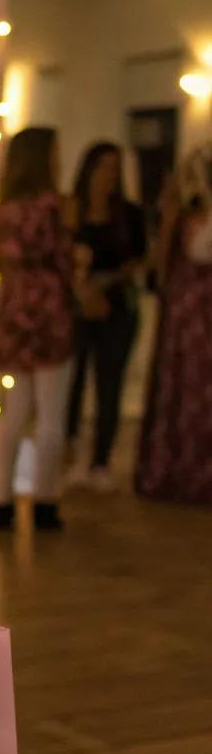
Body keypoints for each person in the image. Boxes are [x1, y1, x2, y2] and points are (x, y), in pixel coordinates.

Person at [0, 127, 75, 532]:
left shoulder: (2, 210)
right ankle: (44, 501)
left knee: (15, 411)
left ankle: (1, 501)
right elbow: (64, 259)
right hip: (49, 309)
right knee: (51, 414)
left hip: (14, 308)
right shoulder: (52, 207)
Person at [64, 143, 146, 490]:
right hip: (77, 307)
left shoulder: (128, 214)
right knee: (72, 382)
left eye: (115, 168)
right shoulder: (72, 210)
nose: (109, 175)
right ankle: (70, 454)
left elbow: (140, 258)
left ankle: (101, 460)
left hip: (117, 308)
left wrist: (109, 283)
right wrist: (82, 289)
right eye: (103, 167)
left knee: (109, 383)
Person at [135, 146, 212, 504]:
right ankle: (178, 469)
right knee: (186, 386)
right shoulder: (182, 214)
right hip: (189, 316)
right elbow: (162, 263)